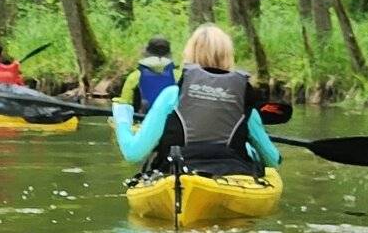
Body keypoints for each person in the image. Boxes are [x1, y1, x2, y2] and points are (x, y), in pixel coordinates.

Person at [112, 23, 281, 177]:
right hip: (231, 177)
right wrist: (250, 149)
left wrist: (122, 118)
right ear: (228, 57)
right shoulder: (242, 98)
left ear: (189, 55)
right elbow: (273, 160)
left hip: (176, 174)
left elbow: (133, 153)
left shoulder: (172, 96)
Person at [119, 36, 178, 114]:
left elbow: (124, 105)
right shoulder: (179, 76)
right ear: (169, 54)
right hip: (170, 123)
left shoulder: (135, 76)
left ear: (147, 52)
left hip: (141, 121)